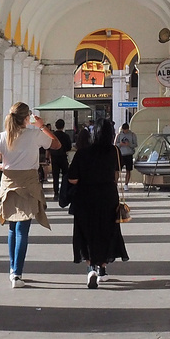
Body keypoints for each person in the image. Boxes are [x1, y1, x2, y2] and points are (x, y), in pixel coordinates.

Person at [0, 102, 62, 288]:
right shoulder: (34, 134)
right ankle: (17, 273)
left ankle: (13, 270)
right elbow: (56, 145)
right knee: (23, 230)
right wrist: (42, 127)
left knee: (12, 229)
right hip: (28, 185)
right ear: (26, 118)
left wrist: (6, 167)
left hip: (8, 184)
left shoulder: (1, 137)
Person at [66, 120, 129, 287]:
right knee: (106, 231)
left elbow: (72, 178)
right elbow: (116, 175)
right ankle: (102, 269)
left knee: (86, 232)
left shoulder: (82, 153)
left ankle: (91, 268)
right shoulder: (114, 151)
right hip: (108, 196)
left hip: (85, 197)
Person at [49, 118, 73, 198]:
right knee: (65, 175)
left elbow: (48, 146)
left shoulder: (52, 135)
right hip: (63, 157)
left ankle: (56, 192)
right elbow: (69, 147)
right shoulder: (66, 136)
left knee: (55, 175)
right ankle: (64, 190)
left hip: (54, 157)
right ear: (63, 126)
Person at [114, 121, 138, 187]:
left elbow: (135, 144)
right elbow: (115, 144)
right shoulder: (119, 135)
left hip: (129, 154)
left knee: (128, 170)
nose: (125, 131)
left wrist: (129, 144)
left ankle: (126, 184)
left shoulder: (132, 135)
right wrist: (120, 144)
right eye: (124, 130)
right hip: (120, 154)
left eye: (126, 130)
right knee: (117, 170)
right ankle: (115, 183)